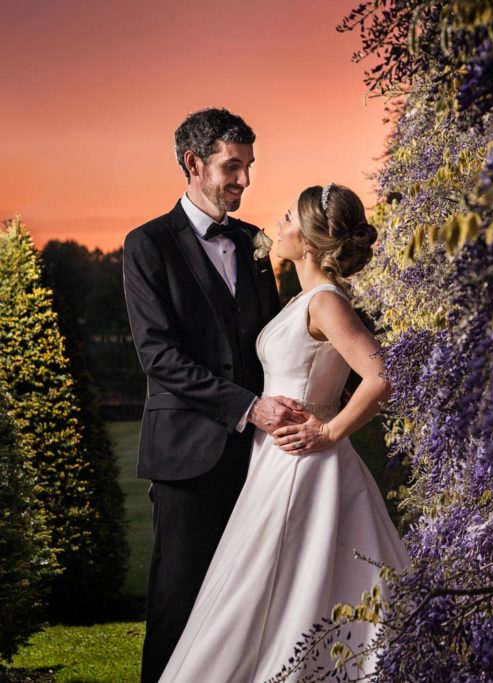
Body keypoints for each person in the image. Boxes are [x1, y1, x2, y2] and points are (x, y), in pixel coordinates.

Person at [158, 183, 409, 682]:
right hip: (277, 461)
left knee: (277, 582)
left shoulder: (326, 303)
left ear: (311, 242)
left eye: (289, 218)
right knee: (277, 583)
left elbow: (383, 374)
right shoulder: (305, 299)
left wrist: (332, 431)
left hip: (304, 463)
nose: (278, 223)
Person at [123, 108, 304, 683]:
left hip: (257, 455)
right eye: (232, 167)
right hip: (187, 454)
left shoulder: (253, 242)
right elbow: (159, 357)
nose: (244, 181)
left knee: (244, 604)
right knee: (178, 604)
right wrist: (248, 407)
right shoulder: (146, 244)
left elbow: (272, 337)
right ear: (193, 163)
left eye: (248, 167)